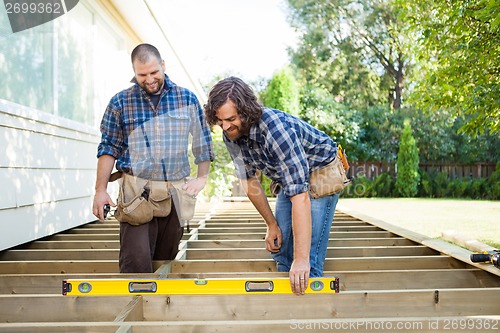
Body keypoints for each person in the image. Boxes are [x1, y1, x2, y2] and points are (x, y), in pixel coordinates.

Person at [204, 77, 340, 295]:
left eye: (230, 119)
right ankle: (287, 301)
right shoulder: (231, 134)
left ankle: (308, 304)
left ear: (246, 111)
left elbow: (300, 197)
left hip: (321, 171)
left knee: (308, 257)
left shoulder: (276, 130)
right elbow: (249, 181)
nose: (225, 126)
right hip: (291, 177)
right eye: (220, 121)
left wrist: (302, 259)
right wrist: (271, 224)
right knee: (283, 247)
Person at [92, 43, 213, 273]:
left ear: (163, 65)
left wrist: (201, 178)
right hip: (136, 195)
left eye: (154, 72)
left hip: (175, 195)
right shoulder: (120, 103)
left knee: (165, 262)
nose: (149, 79)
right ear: (134, 72)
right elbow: (108, 148)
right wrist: (100, 190)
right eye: (142, 75)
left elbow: (202, 143)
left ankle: (157, 308)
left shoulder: (186, 99)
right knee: (136, 264)